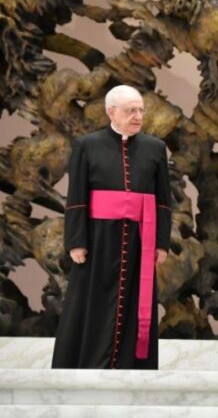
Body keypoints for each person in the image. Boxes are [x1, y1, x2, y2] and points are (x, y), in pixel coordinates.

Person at [52, 85, 172, 369]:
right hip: (98, 239)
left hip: (139, 241)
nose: (138, 116)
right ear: (111, 112)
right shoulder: (86, 145)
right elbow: (77, 198)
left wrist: (161, 242)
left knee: (134, 304)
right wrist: (76, 241)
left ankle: (132, 367)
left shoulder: (155, 148)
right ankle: (88, 364)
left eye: (141, 110)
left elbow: (163, 201)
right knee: (91, 302)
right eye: (131, 110)